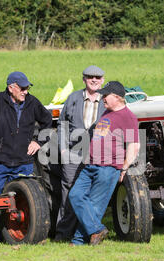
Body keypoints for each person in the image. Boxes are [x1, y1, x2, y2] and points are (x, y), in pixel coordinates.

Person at [0, 71, 52, 244]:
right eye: (22, 88)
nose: (25, 92)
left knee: (22, 203)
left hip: (24, 163)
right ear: (11, 88)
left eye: (27, 88)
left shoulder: (33, 102)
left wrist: (38, 141)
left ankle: (14, 238)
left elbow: (47, 120)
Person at [68, 81, 140, 245]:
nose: (102, 98)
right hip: (91, 165)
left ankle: (78, 241)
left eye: (105, 95)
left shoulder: (128, 117)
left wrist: (124, 167)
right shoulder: (106, 112)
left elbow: (134, 145)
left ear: (117, 97)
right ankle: (97, 230)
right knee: (76, 195)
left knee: (95, 206)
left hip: (108, 168)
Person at [54, 65, 106, 242]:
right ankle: (63, 234)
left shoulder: (107, 101)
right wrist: (62, 148)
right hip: (73, 153)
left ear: (103, 81)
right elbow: (62, 124)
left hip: (97, 155)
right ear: (83, 79)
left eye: (98, 78)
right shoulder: (74, 98)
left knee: (91, 194)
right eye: (90, 77)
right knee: (68, 193)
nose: (94, 80)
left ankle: (86, 232)